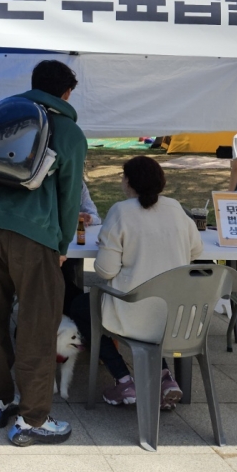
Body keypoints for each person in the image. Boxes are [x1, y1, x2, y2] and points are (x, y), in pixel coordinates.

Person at [0, 60, 87, 447]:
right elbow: (69, 196)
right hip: (33, 235)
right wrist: (62, 244)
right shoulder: (69, 131)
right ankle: (34, 419)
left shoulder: (5, 113)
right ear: (66, 93)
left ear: (35, 85)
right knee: (37, 324)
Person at [66, 155, 203, 410]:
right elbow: (196, 252)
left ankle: (124, 379)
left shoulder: (121, 212)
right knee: (147, 319)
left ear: (128, 181)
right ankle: (164, 379)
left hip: (135, 310)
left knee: (80, 307)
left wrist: (112, 248)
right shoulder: (176, 208)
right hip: (176, 312)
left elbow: (105, 271)